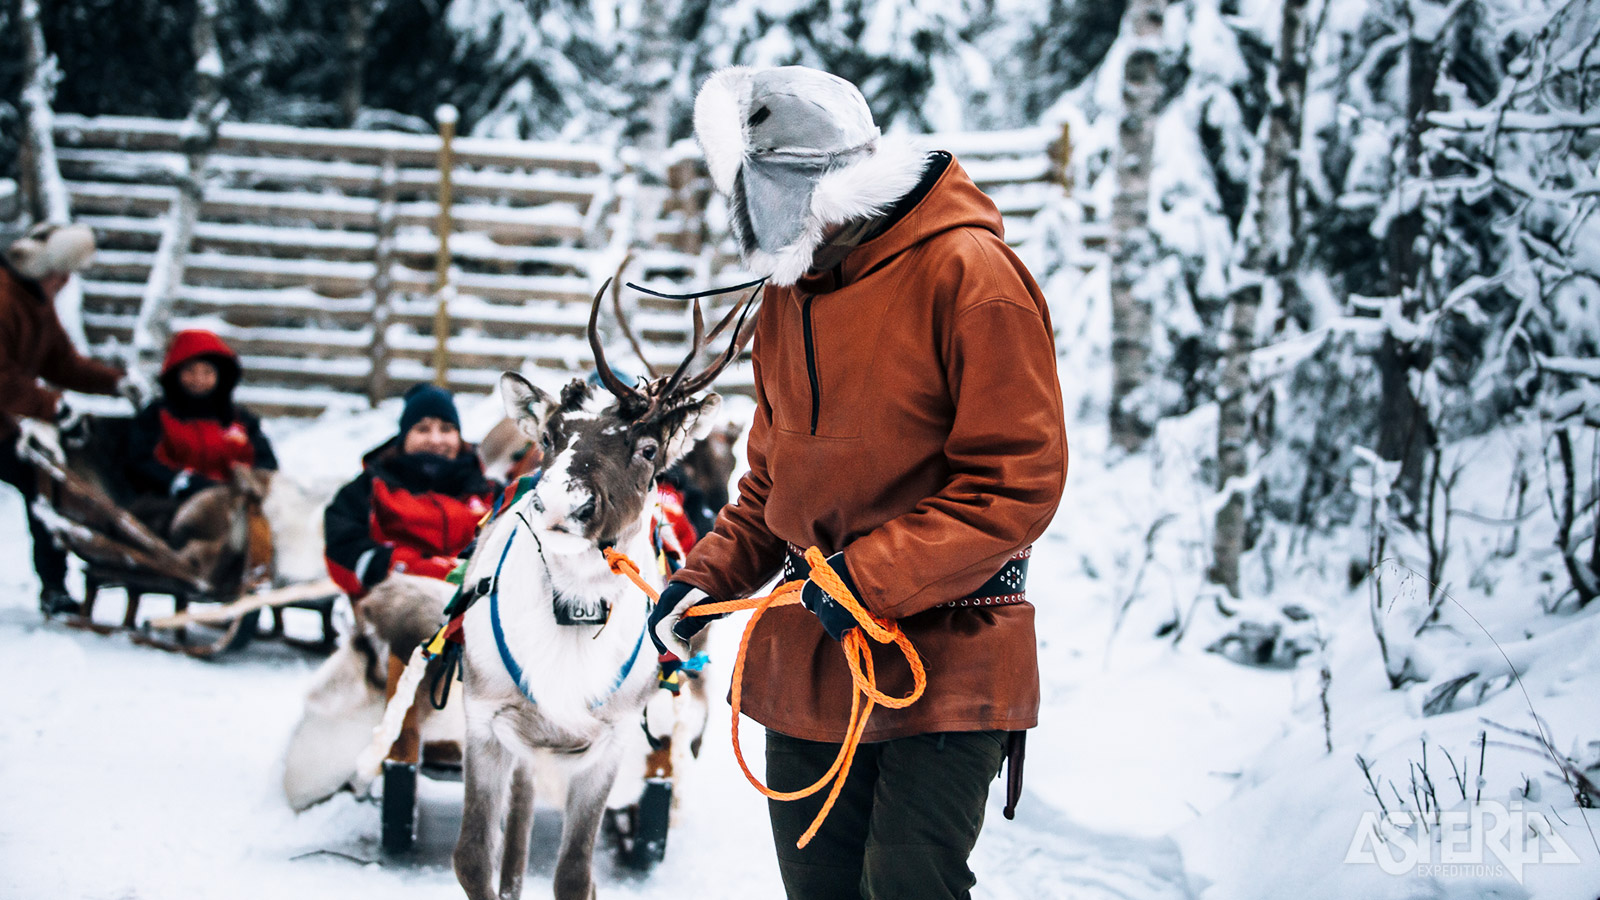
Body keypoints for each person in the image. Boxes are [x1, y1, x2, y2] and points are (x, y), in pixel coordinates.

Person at [646, 67, 1069, 899]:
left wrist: (869, 575)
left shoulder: (971, 276)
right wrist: (704, 580)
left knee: (908, 883)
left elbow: (1017, 481)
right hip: (813, 656)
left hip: (949, 653)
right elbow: (771, 487)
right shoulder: (790, 296)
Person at [0, 222, 142, 615]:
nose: (65, 283)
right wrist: (52, 407)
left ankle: (54, 587)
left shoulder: (35, 304)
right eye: (62, 275)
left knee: (43, 487)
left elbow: (61, 363)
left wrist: (116, 383)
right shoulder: (4, 299)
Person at [324, 383, 496, 600]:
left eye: (446, 429)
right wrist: (405, 565)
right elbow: (343, 550)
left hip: (477, 605)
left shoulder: (487, 490)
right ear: (404, 436)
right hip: (396, 606)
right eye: (423, 429)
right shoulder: (370, 488)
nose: (436, 440)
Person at [126, 329, 278, 525]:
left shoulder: (239, 420)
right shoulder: (158, 416)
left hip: (236, 503)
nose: (198, 379)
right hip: (170, 504)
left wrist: (250, 480)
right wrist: (180, 482)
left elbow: (266, 461)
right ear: (176, 373)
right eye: (190, 371)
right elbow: (140, 461)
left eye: (207, 372)